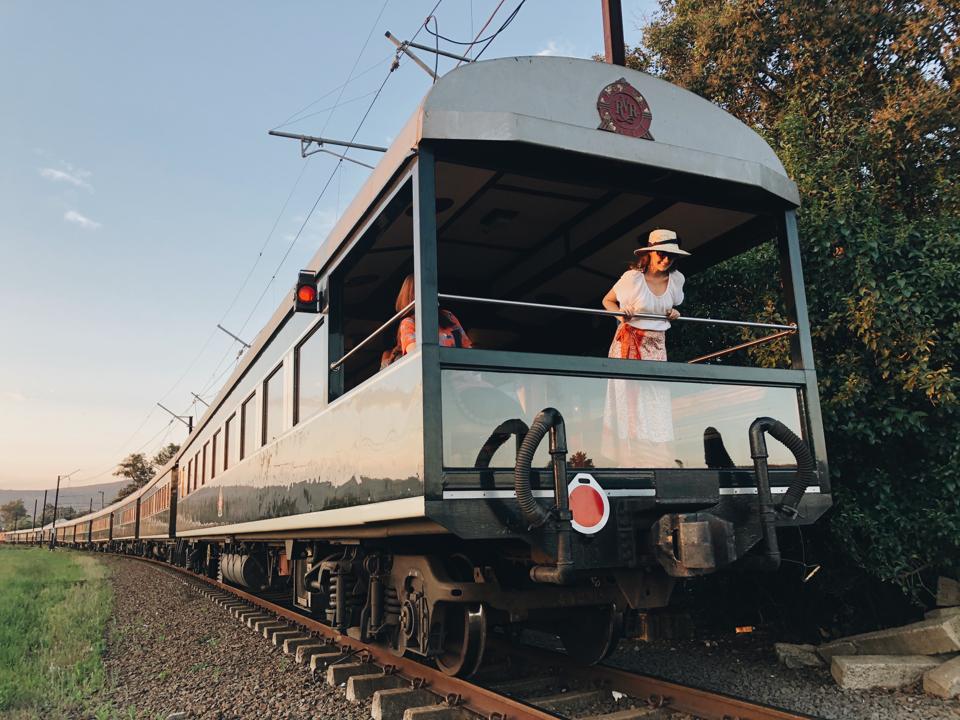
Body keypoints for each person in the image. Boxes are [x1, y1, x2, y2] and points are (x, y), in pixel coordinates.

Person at [600, 229, 690, 467]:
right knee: (628, 399)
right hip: (628, 342)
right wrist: (620, 316)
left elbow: (671, 308)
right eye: (662, 254)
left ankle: (658, 459)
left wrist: (675, 313)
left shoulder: (677, 280)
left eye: (671, 256)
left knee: (656, 398)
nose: (666, 260)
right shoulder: (633, 278)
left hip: (657, 344)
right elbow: (607, 300)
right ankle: (628, 460)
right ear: (650, 253)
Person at [381, 274, 473, 368]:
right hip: (434, 374)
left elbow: (468, 349)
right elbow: (417, 357)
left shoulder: (448, 315)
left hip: (460, 372)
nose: (432, 291)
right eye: (426, 288)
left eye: (433, 287)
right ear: (412, 295)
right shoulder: (408, 323)